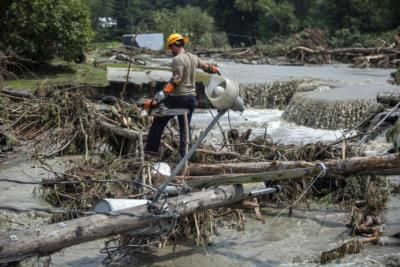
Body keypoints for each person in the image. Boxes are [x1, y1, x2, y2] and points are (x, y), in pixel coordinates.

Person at [144, 33, 220, 158]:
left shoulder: (177, 59)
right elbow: (206, 67)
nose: (170, 51)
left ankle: (151, 152)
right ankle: (185, 157)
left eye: (170, 47)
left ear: (174, 45)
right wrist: (215, 69)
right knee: (185, 128)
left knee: (158, 121)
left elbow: (177, 79)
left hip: (178, 98)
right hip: (191, 100)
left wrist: (164, 93)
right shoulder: (193, 57)